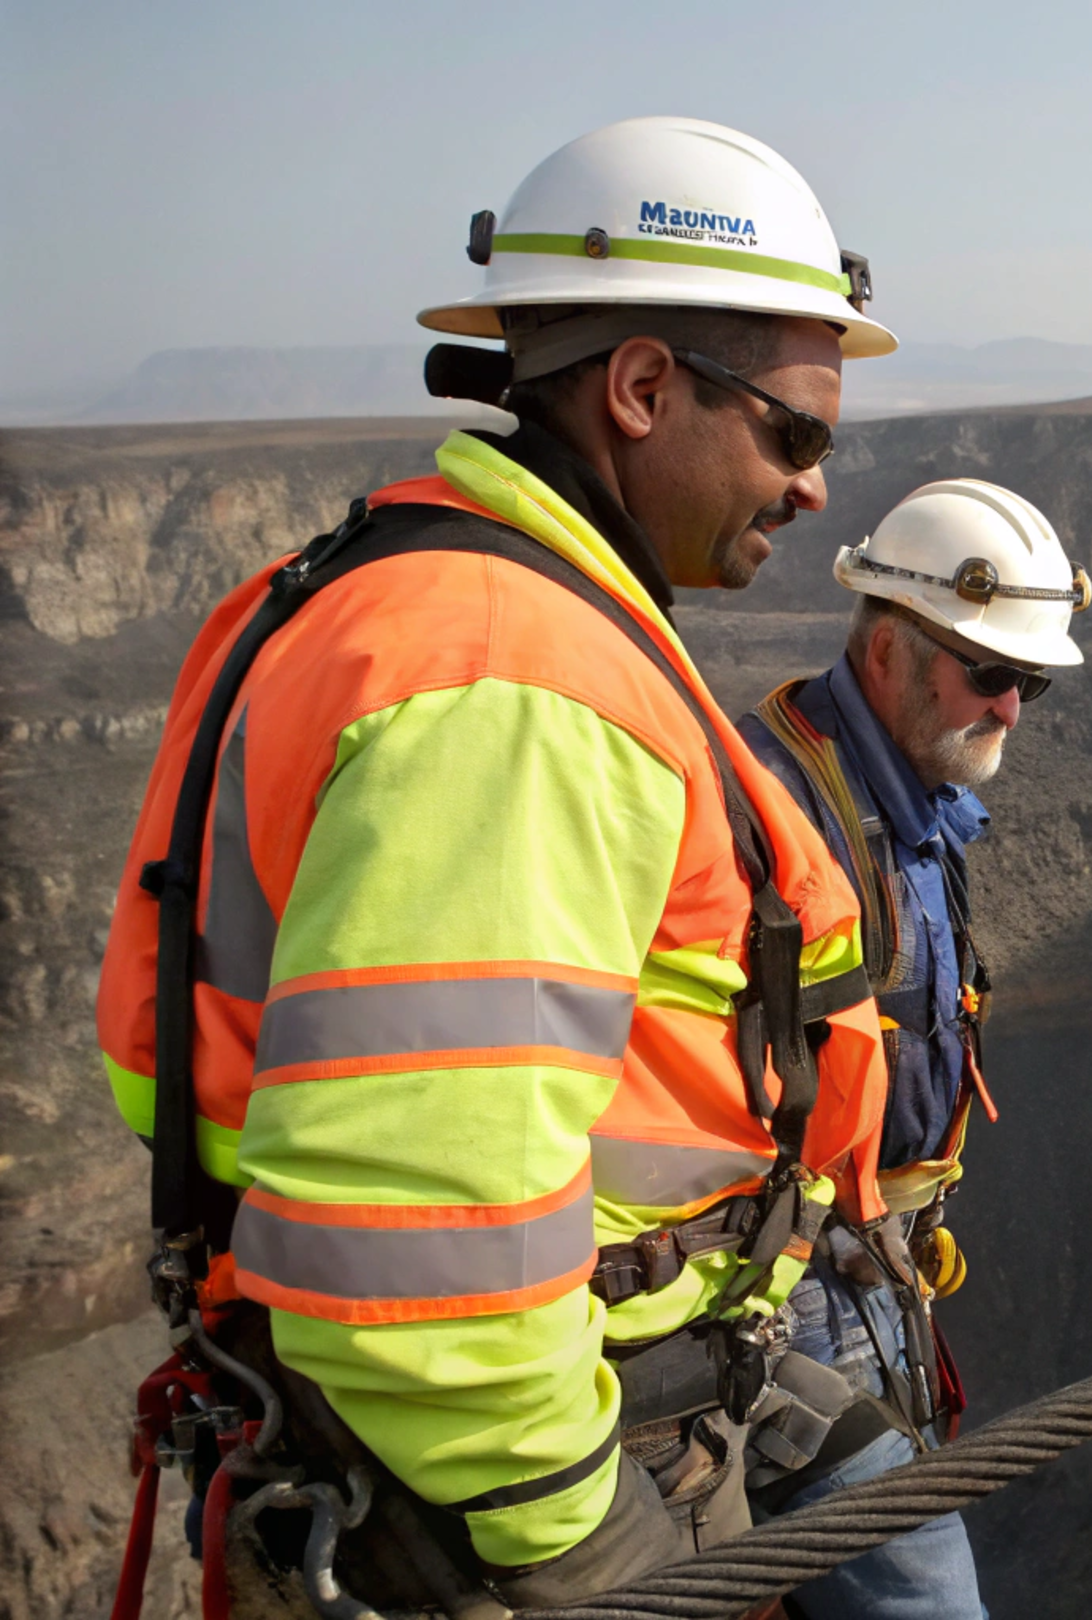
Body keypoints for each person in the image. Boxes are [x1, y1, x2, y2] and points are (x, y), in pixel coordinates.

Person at [97, 117, 931, 1613]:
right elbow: (418, 1240)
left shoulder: (400, 593)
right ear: (642, 386)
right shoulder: (517, 690)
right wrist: (587, 1546)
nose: (814, 489)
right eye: (796, 434)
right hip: (505, 1489)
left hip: (475, 1422)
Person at [733, 480, 1092, 1619]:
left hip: (872, 1262)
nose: (1014, 711)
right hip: (793, 1293)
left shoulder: (911, 795)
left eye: (1028, 681)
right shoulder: (779, 815)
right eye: (990, 675)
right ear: (887, 648)